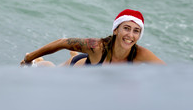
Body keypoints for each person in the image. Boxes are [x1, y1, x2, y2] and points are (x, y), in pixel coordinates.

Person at [20, 9, 165, 67]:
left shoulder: (141, 54)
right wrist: (29, 59)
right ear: (115, 30)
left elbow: (170, 74)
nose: (130, 35)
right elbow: (62, 43)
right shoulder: (96, 46)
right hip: (75, 69)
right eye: (126, 28)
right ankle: (39, 61)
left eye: (136, 31)